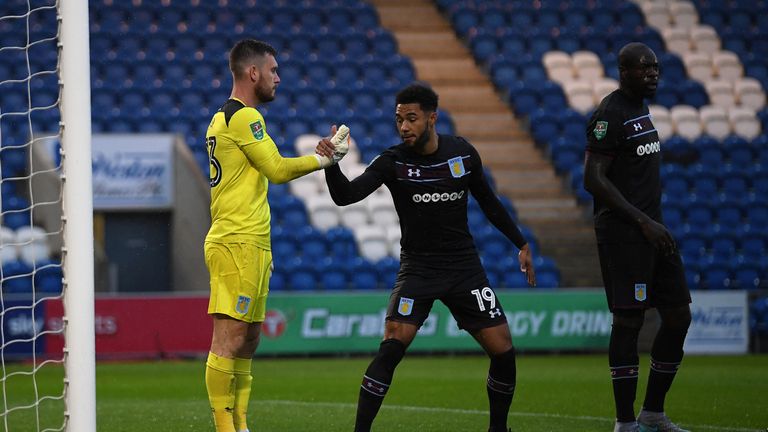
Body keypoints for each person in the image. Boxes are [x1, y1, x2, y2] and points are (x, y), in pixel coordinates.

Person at [316, 83, 535, 432]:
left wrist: (520, 243)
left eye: (412, 118)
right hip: (418, 269)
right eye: (399, 119)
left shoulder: (462, 154)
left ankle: (498, 429)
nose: (404, 126)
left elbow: (490, 203)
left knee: (504, 351)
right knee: (391, 347)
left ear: (432, 118)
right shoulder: (392, 161)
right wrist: (331, 164)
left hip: (464, 268)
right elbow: (346, 196)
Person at [203, 39, 348, 432]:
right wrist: (325, 158)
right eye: (273, 70)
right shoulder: (243, 117)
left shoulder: (226, 117)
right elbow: (279, 170)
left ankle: (241, 424)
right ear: (253, 73)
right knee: (229, 338)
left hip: (252, 242)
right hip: (236, 240)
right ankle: (224, 427)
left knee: (249, 339)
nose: (278, 78)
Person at [583, 42, 692, 432]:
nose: (652, 73)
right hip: (625, 233)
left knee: (679, 315)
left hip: (654, 229)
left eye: (656, 67)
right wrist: (642, 221)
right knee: (628, 321)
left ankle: (654, 412)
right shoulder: (609, 115)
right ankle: (625, 422)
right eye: (644, 67)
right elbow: (592, 178)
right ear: (623, 71)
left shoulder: (641, 112)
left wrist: (652, 223)